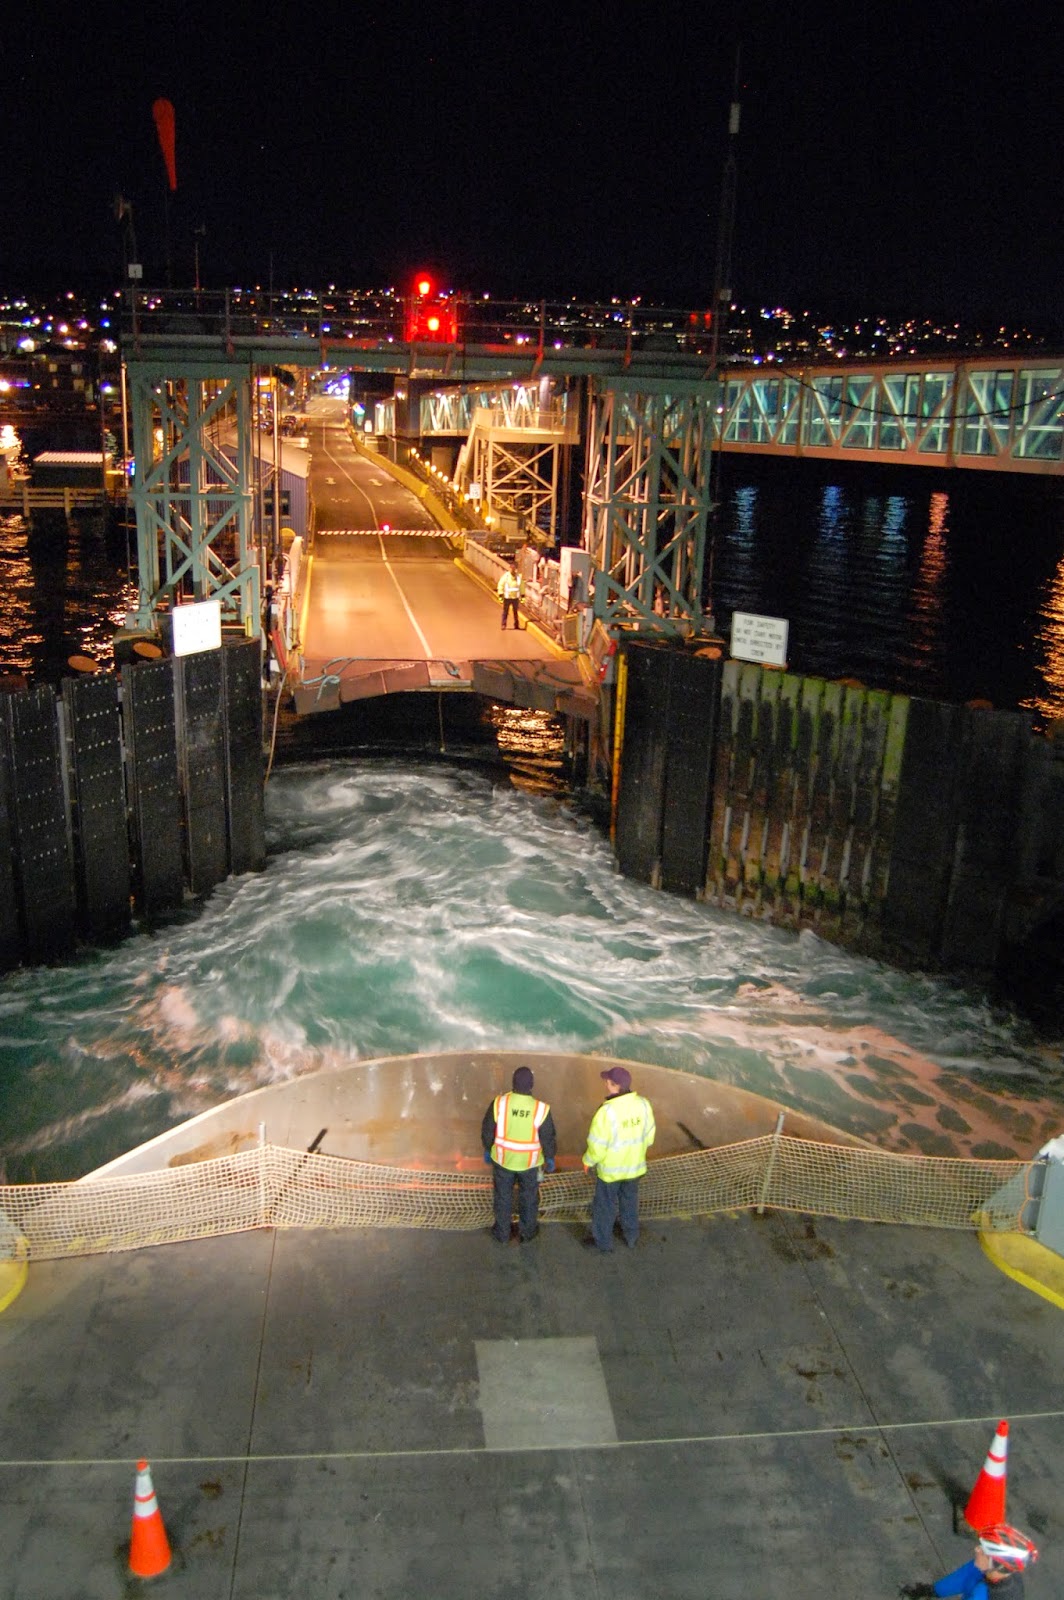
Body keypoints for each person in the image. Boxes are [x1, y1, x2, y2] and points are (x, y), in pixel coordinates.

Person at [581, 1066, 655, 1252]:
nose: (606, 1084)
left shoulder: (606, 1112)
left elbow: (597, 1145)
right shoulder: (643, 1104)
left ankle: (603, 1243)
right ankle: (631, 1237)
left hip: (611, 1172)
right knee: (629, 1202)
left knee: (605, 1206)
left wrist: (588, 1161)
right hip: (635, 1168)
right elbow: (649, 1137)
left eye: (608, 1081)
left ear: (613, 1085)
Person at [482, 1066, 556, 1243]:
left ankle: (502, 1233)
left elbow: (487, 1130)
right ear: (532, 1085)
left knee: (503, 1198)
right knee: (529, 1199)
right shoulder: (540, 1109)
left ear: (513, 1083)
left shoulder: (499, 1103)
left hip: (503, 1161)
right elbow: (547, 1137)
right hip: (530, 1164)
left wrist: (488, 1148)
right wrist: (550, 1157)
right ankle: (527, 1232)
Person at [902, 1523, 1038, 1599]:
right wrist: (933, 1590)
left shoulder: (987, 1595)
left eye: (983, 1551)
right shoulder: (988, 1569)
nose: (977, 1549)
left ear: (998, 1566)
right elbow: (962, 1578)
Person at [496, 559, 524, 630]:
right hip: (507, 598)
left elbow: (521, 586)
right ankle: (503, 624)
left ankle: (516, 624)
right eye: (511, 568)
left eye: (513, 568)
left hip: (515, 598)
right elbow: (501, 585)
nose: (512, 569)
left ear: (515, 569)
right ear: (509, 568)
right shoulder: (506, 576)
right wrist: (500, 595)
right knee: (505, 612)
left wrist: (522, 596)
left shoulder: (518, 577)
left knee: (515, 612)